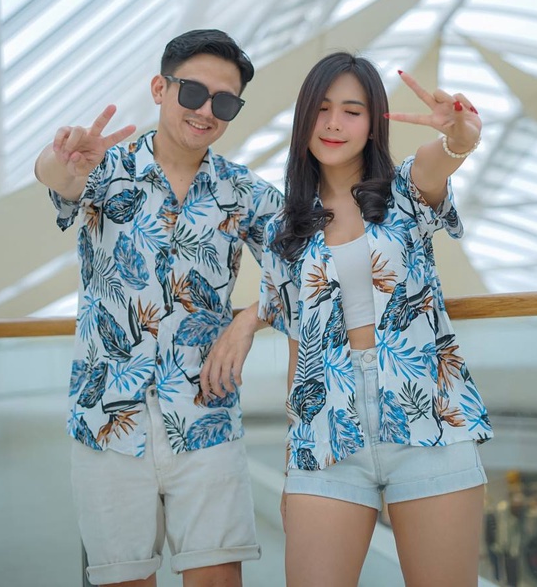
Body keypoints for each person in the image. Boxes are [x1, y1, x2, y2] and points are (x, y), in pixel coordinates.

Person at [200, 51, 493, 587]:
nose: (334, 123)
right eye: (322, 108)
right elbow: (299, 344)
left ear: (373, 122)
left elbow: (442, 159)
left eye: (352, 111)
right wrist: (293, 457)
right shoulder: (283, 230)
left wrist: (461, 136)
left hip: (429, 421)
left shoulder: (405, 192)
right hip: (325, 432)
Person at [34, 29, 284, 587]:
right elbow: (57, 178)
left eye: (225, 102)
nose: (206, 111)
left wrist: (249, 321)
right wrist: (60, 158)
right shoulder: (104, 168)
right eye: (193, 92)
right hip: (108, 419)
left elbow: (311, 264)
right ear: (159, 88)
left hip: (206, 417)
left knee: (218, 579)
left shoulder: (241, 192)